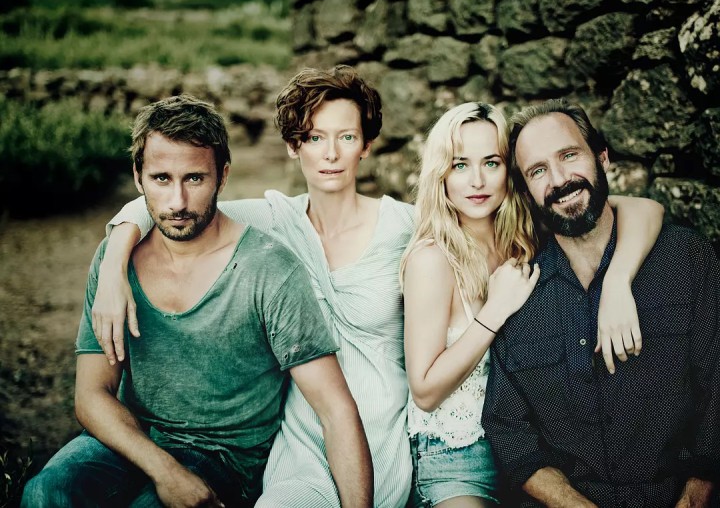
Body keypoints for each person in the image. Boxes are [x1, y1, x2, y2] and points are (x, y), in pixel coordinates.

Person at [20, 95, 372, 508]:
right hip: (130, 437)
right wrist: (165, 470)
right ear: (138, 178)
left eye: (194, 179)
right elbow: (91, 394)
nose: (178, 203)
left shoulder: (269, 270)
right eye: (161, 179)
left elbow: (335, 410)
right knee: (45, 493)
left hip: (223, 458)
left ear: (222, 177)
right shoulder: (115, 261)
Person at [91, 67, 414, 507]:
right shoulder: (273, 219)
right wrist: (112, 266)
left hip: (382, 422)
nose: (331, 154)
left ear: (367, 144)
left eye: (347, 137)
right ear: (293, 146)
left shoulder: (407, 226)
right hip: (300, 429)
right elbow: (168, 203)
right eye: (315, 137)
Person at [400, 102, 664, 507]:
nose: (477, 180)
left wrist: (617, 281)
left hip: (538, 456)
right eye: (460, 165)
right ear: (441, 175)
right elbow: (424, 391)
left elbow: (645, 208)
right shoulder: (433, 259)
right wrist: (495, 311)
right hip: (458, 459)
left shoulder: (526, 235)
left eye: (491, 163)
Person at [482, 98, 720, 508]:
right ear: (525, 190)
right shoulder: (517, 293)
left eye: (569, 155)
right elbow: (510, 431)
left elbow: (716, 390)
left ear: (602, 157)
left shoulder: (685, 260)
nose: (559, 180)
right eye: (538, 170)